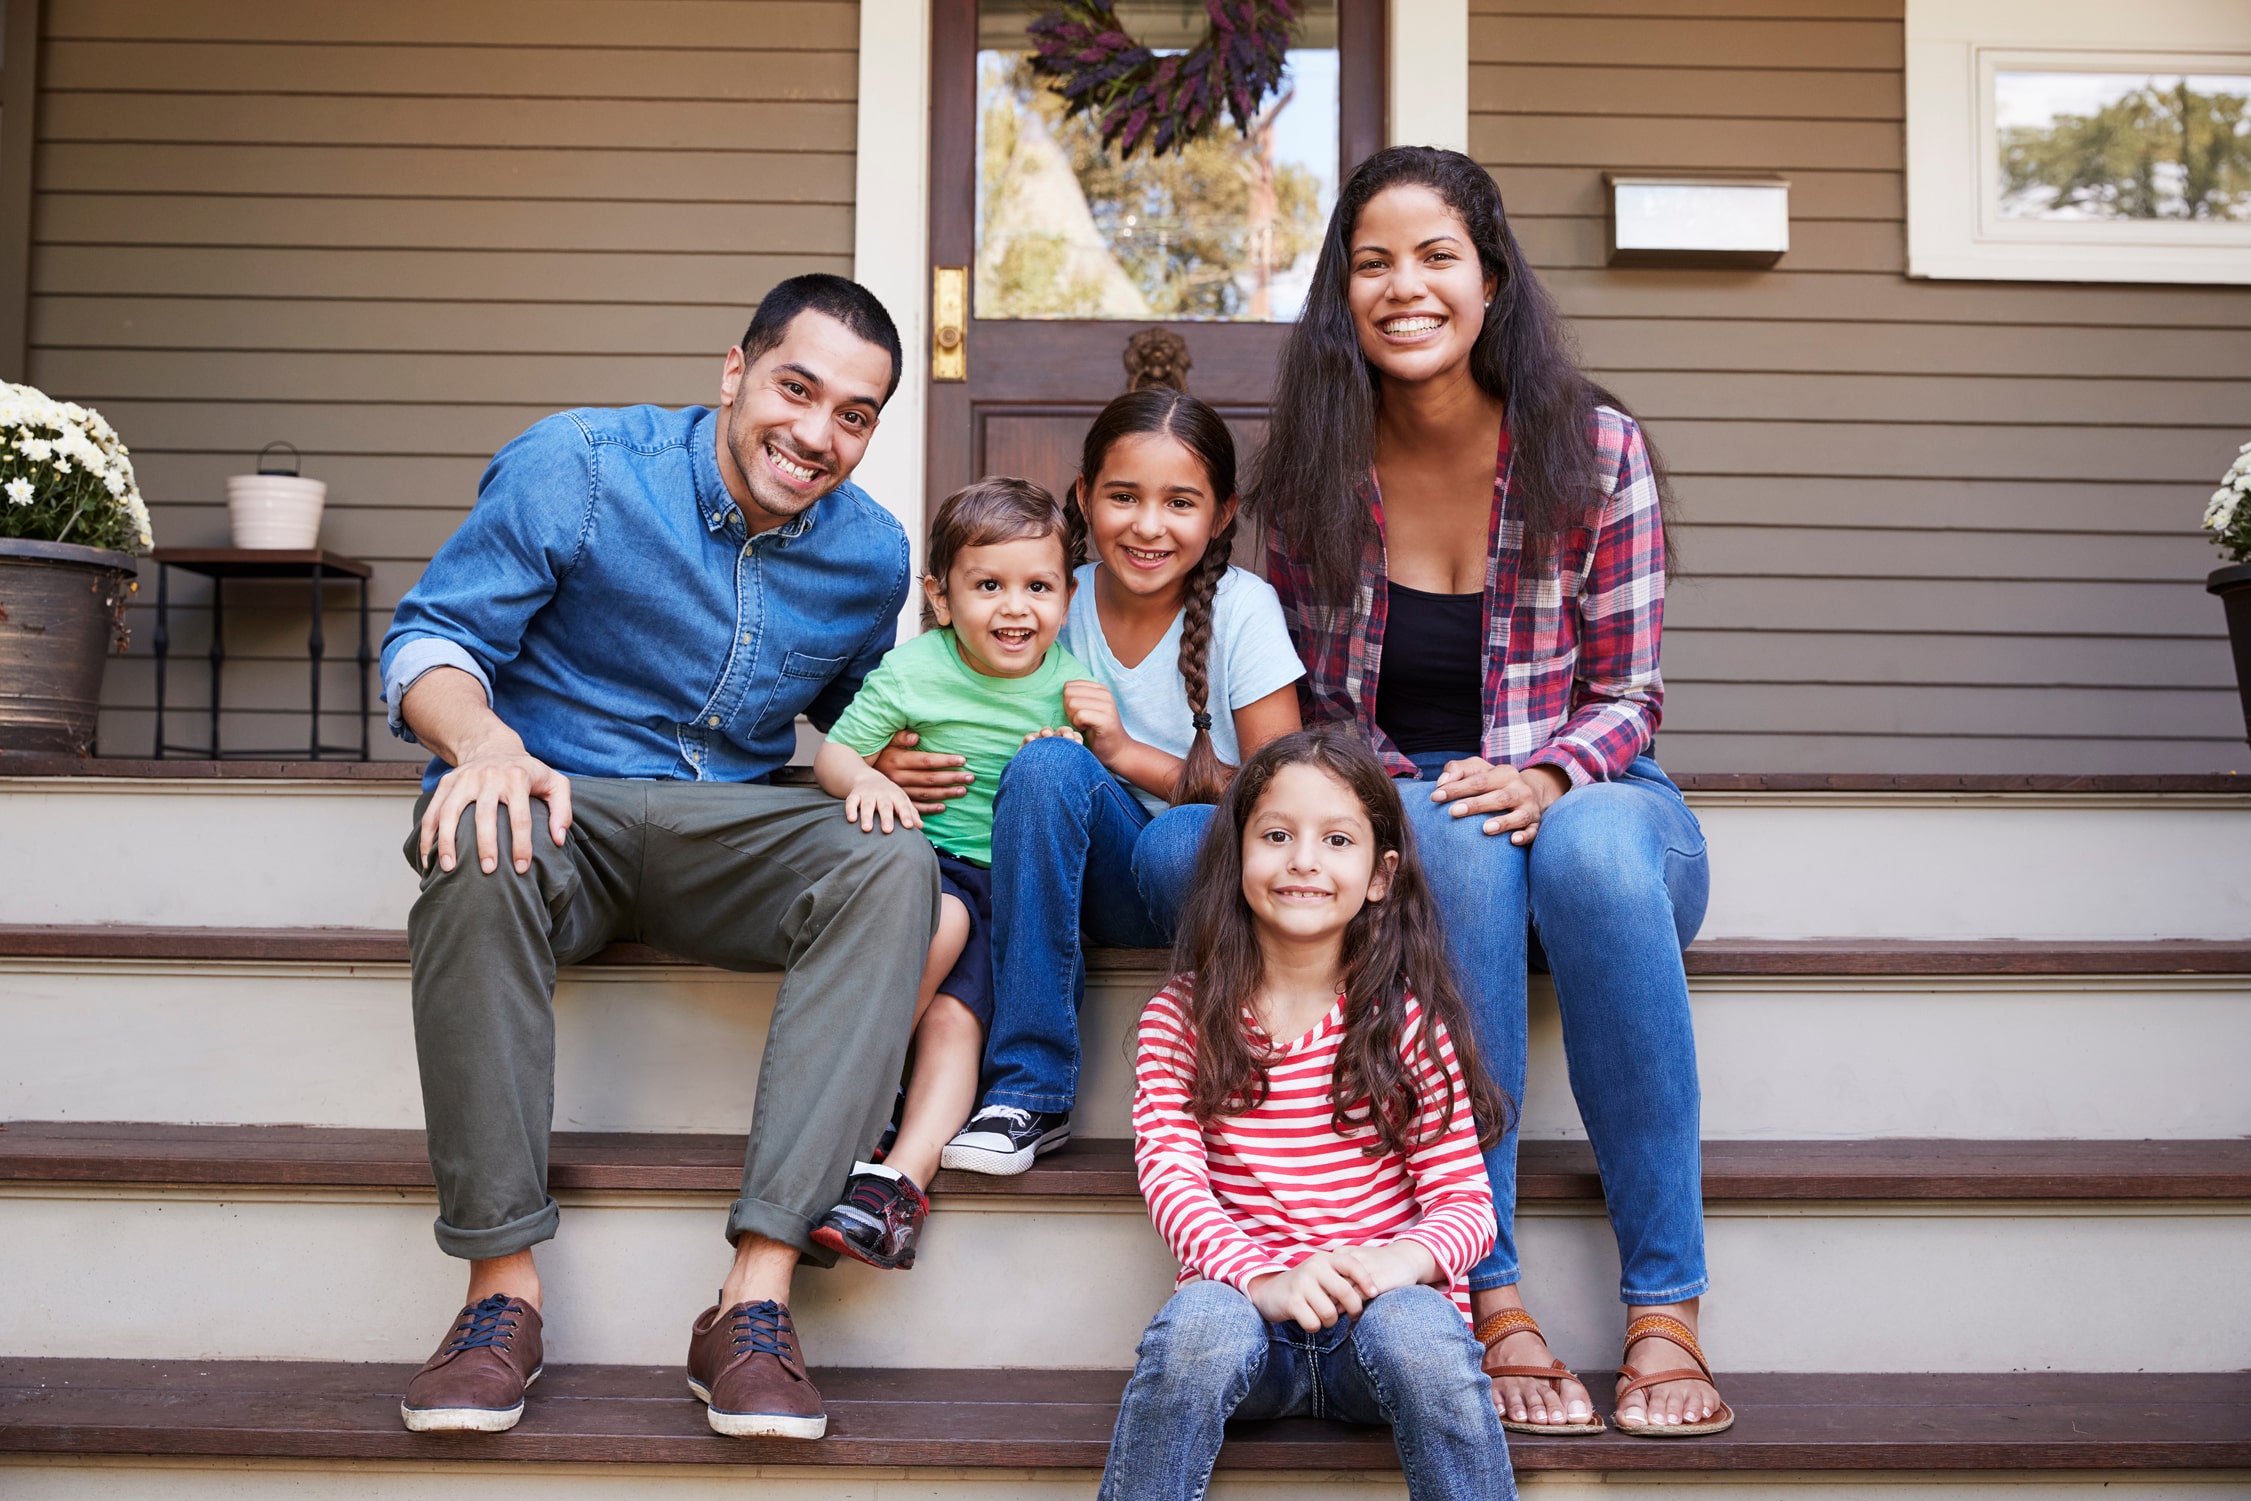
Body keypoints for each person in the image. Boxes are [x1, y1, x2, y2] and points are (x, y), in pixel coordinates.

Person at [378, 274, 936, 1442]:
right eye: (796, 388)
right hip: (555, 808)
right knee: (476, 841)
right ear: (733, 372)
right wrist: (479, 743)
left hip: (723, 835)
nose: (817, 434)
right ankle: (499, 1297)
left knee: (891, 864)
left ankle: (752, 1302)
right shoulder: (579, 464)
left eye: (853, 413)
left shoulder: (871, 555)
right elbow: (433, 636)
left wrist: (911, 757)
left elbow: (852, 717)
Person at [1243, 146, 1731, 1438]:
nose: (1403, 286)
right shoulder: (1306, 479)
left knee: (1581, 857)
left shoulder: (1595, 448)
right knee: (1453, 853)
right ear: (1339, 297)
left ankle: (1662, 1304)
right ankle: (1489, 1284)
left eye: (1434, 255)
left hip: (1603, 795)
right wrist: (1411, 795)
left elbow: (1628, 696)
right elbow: (1320, 717)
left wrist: (1541, 775)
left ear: (1491, 275)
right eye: (1370, 262)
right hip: (1422, 809)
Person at [1101, 728, 1516, 1501]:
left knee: (1421, 1331)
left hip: (1376, 1332)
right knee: (1195, 1326)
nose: (1302, 859)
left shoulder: (1406, 1023)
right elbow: (1171, 1180)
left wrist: (1400, 1265)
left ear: (1380, 873)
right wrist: (1261, 1277)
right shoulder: (1180, 1017)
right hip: (1248, 1322)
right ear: (1238, 856)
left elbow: (1466, 1203)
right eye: (1276, 835)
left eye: (1335, 839)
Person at [910, 386, 1305, 1175]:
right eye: (1123, 496)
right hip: (1072, 874)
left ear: (1223, 514)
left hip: (1193, 882)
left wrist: (1127, 754)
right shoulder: (1048, 595)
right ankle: (1030, 1091)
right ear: (1085, 497)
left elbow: (1288, 798)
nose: (1147, 524)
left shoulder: (1242, 608)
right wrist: (893, 757)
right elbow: (944, 696)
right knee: (1050, 762)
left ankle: (1226, 1073)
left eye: (1180, 502)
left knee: (1177, 837)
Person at [808, 477, 1090, 1266]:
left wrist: (1088, 743)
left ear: (1066, 596)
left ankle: (895, 1187)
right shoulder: (912, 671)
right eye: (988, 585)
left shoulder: (1070, 684)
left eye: (1037, 587)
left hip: (1011, 891)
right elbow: (836, 751)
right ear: (939, 597)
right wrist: (867, 778)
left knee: (956, 1022)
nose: (1014, 607)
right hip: (922, 866)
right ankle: (855, 1101)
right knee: (943, 924)